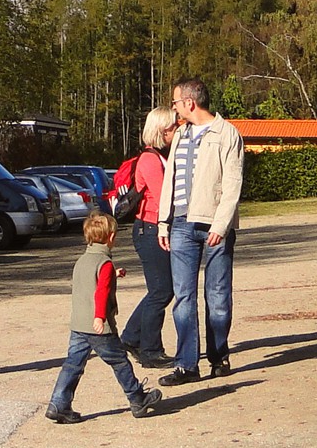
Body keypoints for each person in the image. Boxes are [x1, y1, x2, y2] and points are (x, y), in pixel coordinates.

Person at [156, 77, 246, 386]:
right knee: (184, 297)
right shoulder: (181, 134)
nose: (175, 107)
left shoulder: (227, 134)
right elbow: (171, 178)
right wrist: (163, 222)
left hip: (213, 225)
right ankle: (186, 365)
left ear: (190, 103)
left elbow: (233, 184)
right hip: (181, 225)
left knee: (218, 296)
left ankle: (219, 357)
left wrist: (221, 225)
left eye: (176, 102)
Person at [45, 212, 164, 423]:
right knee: (119, 361)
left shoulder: (83, 261)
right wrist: (100, 317)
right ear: (110, 238)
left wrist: (114, 275)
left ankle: (58, 403)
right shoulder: (105, 264)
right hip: (98, 327)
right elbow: (100, 293)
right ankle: (137, 397)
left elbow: (91, 283)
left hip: (78, 325)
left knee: (73, 364)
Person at [119, 107, 179, 368]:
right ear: (160, 131)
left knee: (161, 290)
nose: (175, 132)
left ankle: (132, 337)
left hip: (153, 228)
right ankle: (150, 350)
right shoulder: (150, 160)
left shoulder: (157, 157)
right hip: (150, 229)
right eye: (172, 128)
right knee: (161, 291)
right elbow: (164, 197)